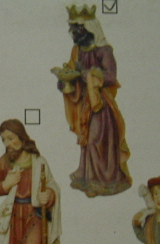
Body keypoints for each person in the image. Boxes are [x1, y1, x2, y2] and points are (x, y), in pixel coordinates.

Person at [55, 5, 131, 197]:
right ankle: (89, 178)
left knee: (98, 140)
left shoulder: (103, 50)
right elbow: (72, 71)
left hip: (101, 104)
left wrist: (87, 74)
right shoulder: (77, 50)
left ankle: (106, 180)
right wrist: (65, 82)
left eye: (78, 28)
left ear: (89, 28)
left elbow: (111, 76)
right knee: (88, 140)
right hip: (84, 102)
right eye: (72, 28)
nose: (74, 32)